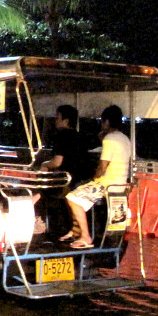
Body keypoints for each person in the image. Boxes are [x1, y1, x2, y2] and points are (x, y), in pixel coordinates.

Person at [61, 105, 131, 249]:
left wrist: (94, 178)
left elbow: (102, 166)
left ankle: (85, 236)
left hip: (107, 183)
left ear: (106, 122)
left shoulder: (110, 139)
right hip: (120, 183)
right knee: (79, 189)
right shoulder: (124, 138)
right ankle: (75, 231)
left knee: (72, 197)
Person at [32, 105, 89, 234]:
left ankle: (39, 223)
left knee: (37, 189)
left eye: (58, 118)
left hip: (65, 181)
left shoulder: (62, 136)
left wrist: (45, 165)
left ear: (66, 121)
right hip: (79, 180)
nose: (55, 121)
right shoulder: (80, 137)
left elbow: (57, 162)